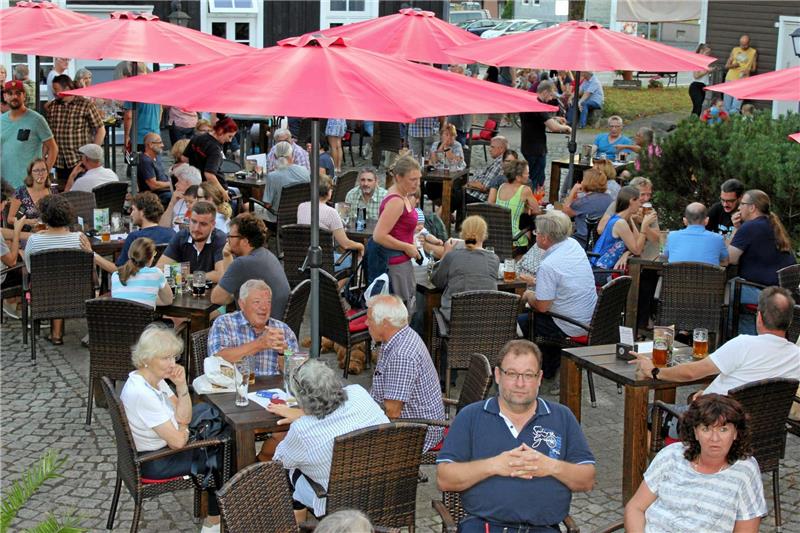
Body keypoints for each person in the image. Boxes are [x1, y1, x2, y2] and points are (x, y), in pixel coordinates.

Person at [436, 339, 596, 532]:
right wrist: (494, 465)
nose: (520, 383)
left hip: (542, 528)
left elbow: (587, 480)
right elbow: (444, 479)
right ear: (497, 375)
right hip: (484, 526)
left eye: (528, 375)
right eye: (511, 374)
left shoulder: (562, 417)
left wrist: (550, 466)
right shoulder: (471, 416)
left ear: (539, 378)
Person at [120, 324, 223, 533]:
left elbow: (183, 412)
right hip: (155, 460)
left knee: (210, 418)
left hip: (163, 448)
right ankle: (214, 521)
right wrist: (184, 427)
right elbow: (177, 441)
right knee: (224, 452)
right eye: (165, 358)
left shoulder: (153, 380)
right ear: (147, 359)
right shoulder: (142, 393)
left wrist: (182, 385)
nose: (172, 363)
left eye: (174, 357)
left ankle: (223, 505)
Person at [624, 394, 766, 532]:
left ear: (735, 433)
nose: (714, 438)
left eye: (723, 429)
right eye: (706, 429)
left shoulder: (745, 470)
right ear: (695, 432)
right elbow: (635, 507)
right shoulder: (672, 455)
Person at [269, 359, 389, 521]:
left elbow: (280, 461)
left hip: (337, 502)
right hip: (384, 490)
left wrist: (301, 418)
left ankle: (294, 523)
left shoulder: (303, 430)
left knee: (285, 473)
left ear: (301, 398)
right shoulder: (359, 393)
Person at [631, 286, 800, 400]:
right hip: (760, 430)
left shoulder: (743, 344)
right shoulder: (796, 356)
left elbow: (691, 373)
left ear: (760, 317)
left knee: (650, 418)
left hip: (715, 425)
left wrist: (654, 371)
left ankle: (675, 452)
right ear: (790, 322)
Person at [520, 211, 597, 377]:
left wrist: (527, 295)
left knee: (518, 321)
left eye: (536, 233)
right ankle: (549, 369)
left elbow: (542, 306)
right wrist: (537, 282)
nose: (535, 236)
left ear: (545, 238)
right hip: (589, 318)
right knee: (536, 316)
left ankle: (536, 371)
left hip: (569, 324)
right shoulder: (573, 245)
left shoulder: (549, 265)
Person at [367, 295, 446, 452]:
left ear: (385, 323)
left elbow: (392, 411)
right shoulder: (399, 336)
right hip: (416, 422)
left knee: (346, 449)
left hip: (417, 433)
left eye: (369, 319)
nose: (366, 323)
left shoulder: (401, 355)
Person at [23, 195, 90, 344]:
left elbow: (29, 268)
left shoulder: (34, 240)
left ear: (44, 217)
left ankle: (56, 334)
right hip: (76, 293)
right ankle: (56, 334)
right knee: (61, 280)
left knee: (53, 281)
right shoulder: (80, 238)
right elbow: (89, 264)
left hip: (44, 294)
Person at [727, 189, 796, 334]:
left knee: (730, 290)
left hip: (763, 292)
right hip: (786, 293)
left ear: (752, 207)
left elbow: (729, 258)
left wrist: (735, 229)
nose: (739, 208)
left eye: (742, 204)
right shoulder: (773, 225)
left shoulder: (750, 227)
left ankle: (742, 337)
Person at [208, 279, 298, 377]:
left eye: (268, 302)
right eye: (257, 302)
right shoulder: (225, 323)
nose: (264, 307)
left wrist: (284, 352)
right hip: (236, 389)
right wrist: (260, 344)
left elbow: (296, 371)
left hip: (273, 390)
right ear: (242, 304)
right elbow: (217, 359)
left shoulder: (283, 330)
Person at [211, 213, 290, 318]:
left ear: (245, 241)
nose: (227, 240)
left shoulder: (242, 263)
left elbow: (217, 298)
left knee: (215, 320)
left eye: (230, 236)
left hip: (262, 327)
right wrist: (226, 255)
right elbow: (227, 293)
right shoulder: (267, 254)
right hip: (278, 322)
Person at [372, 156, 422, 316]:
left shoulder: (403, 195)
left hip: (401, 260)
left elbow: (398, 228)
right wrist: (407, 246)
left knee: (404, 309)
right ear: (399, 177)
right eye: (412, 179)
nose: (417, 183)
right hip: (395, 263)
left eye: (419, 179)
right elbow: (379, 235)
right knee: (400, 314)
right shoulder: (396, 201)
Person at [431, 215, 500, 323]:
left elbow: (437, 281)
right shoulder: (494, 259)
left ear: (463, 234)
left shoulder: (452, 256)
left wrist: (446, 253)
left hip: (456, 319)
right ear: (484, 235)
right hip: (486, 321)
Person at [45, 74, 105, 184]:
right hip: (59, 161)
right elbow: (48, 134)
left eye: (56, 90)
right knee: (64, 192)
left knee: (80, 193)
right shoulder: (53, 106)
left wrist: (92, 152)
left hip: (79, 160)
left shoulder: (85, 105)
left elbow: (101, 129)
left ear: (67, 89)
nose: (54, 93)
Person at [297, 176, 364, 269]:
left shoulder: (301, 207)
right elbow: (345, 244)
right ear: (328, 192)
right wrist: (360, 246)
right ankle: (334, 284)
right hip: (325, 262)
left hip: (305, 258)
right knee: (353, 261)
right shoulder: (331, 212)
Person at [1, 80, 58, 188]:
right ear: (5, 96)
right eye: (10, 93)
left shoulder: (37, 120)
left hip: (29, 186)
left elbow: (53, 149)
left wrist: (43, 176)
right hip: (5, 186)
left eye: (18, 93)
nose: (14, 97)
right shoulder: (1, 120)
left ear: (24, 96)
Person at [157, 200, 226, 283]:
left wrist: (187, 276)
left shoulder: (220, 239)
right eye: (193, 221)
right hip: (185, 293)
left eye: (203, 224)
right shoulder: (181, 236)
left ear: (213, 225)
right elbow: (159, 269)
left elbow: (220, 275)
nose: (196, 228)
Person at [520, 80, 572, 189]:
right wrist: (567, 128)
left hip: (527, 146)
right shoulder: (538, 106)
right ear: (545, 92)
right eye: (551, 95)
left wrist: (555, 118)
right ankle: (532, 199)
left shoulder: (529, 103)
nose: (551, 99)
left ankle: (532, 197)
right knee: (537, 179)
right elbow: (554, 127)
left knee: (532, 175)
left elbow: (537, 119)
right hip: (536, 148)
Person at [592, 186, 656, 272]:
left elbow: (638, 245)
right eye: (638, 201)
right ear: (631, 201)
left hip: (607, 270)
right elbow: (637, 250)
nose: (640, 205)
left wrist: (627, 253)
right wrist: (644, 225)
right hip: (602, 272)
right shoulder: (620, 223)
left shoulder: (623, 219)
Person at [488, 160, 541, 257]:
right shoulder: (525, 190)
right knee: (532, 225)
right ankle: (530, 258)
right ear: (518, 177)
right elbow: (537, 210)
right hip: (514, 238)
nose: (528, 175)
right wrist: (527, 208)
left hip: (498, 234)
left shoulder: (502, 186)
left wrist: (524, 208)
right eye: (526, 173)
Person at [111, 237, 174, 309]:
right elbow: (168, 300)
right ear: (151, 257)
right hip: (145, 319)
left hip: (120, 319)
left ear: (129, 254)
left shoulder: (115, 275)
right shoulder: (156, 273)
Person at [115, 192, 175, 267]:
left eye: (133, 210)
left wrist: (96, 257)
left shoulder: (134, 237)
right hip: (163, 277)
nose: (131, 214)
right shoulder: (172, 233)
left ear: (142, 212)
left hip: (140, 278)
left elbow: (120, 269)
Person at [183, 116, 238, 197]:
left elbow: (184, 158)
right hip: (212, 191)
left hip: (195, 185)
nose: (230, 140)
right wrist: (223, 192)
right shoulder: (215, 149)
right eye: (229, 136)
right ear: (220, 131)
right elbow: (209, 174)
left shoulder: (197, 138)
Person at [260, 141, 311, 225]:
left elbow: (267, 205)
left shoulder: (272, 176)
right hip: (301, 216)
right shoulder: (305, 171)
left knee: (247, 206)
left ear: (275, 156)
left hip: (278, 219)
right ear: (292, 155)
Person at [663, 203, 728, 266]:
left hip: (675, 276)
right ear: (707, 220)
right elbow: (725, 262)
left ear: (685, 221)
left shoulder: (671, 236)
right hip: (707, 276)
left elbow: (665, 258)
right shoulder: (718, 238)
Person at [562, 168, 613, 249]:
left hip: (583, 240)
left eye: (583, 180)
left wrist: (573, 191)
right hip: (601, 241)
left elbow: (565, 213)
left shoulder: (584, 202)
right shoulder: (609, 198)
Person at [122, 68, 161, 152]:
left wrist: (126, 136)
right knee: (154, 162)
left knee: (137, 162)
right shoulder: (156, 89)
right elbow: (160, 109)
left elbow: (128, 116)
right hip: (155, 135)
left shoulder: (132, 92)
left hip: (139, 137)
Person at [464, 136, 509, 204]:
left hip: (478, 198)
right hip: (475, 194)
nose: (489, 149)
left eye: (492, 147)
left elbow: (485, 187)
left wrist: (471, 184)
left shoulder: (499, 163)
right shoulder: (499, 161)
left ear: (501, 149)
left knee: (452, 196)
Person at [160, 164, 202, 231]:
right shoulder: (178, 200)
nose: (176, 184)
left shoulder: (202, 202)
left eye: (179, 181)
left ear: (189, 183)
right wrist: (172, 203)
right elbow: (162, 228)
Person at [9, 158, 51, 224]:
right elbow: (10, 219)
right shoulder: (20, 192)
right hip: (27, 232)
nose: (40, 173)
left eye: (43, 170)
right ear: (30, 173)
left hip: (49, 231)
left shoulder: (52, 190)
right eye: (36, 170)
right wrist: (27, 221)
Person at [724, 34, 757, 113]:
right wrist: (733, 65)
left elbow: (754, 68)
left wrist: (749, 71)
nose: (742, 46)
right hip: (730, 78)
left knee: (736, 105)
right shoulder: (735, 50)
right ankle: (725, 123)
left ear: (748, 43)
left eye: (744, 45)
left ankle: (733, 123)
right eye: (741, 44)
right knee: (726, 105)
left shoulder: (753, 52)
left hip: (743, 80)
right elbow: (726, 66)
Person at [137, 133, 172, 205]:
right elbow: (153, 185)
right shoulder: (145, 161)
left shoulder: (157, 157)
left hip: (165, 190)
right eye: (159, 142)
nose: (163, 145)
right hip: (156, 195)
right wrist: (171, 184)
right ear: (150, 145)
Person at [689, 44, 714, 117]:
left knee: (698, 107)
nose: (708, 55)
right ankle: (693, 123)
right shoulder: (696, 61)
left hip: (702, 87)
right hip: (695, 86)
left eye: (709, 54)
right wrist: (707, 71)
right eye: (707, 53)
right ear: (701, 51)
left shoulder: (705, 63)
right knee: (698, 106)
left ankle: (693, 122)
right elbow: (696, 76)